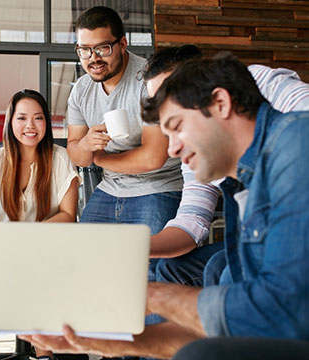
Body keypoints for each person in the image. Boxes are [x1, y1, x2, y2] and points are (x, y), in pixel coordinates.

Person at [20, 53, 309, 359]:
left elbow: (281, 312)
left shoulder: (296, 142)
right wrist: (96, 342)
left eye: (176, 125)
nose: (171, 149)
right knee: (215, 291)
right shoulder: (235, 183)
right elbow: (224, 327)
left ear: (220, 103)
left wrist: (150, 296)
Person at [143, 45, 309, 287]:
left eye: (172, 93)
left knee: (223, 271)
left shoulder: (263, 88)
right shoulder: (199, 149)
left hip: (285, 229)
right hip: (259, 233)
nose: (172, 149)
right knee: (179, 267)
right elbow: (191, 220)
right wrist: (137, 249)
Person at [0, 89, 79, 360]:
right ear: (10, 123)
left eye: (38, 118)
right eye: (22, 118)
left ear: (47, 123)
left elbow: (68, 215)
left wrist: (29, 237)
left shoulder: (60, 159)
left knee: (39, 265)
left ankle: (43, 353)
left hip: (46, 247)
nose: (30, 126)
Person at [66, 6, 182, 234]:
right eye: (85, 50)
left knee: (146, 264)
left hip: (158, 186)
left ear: (122, 44)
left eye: (102, 48)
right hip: (110, 188)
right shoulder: (80, 90)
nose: (93, 58)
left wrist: (98, 158)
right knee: (81, 259)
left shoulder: (150, 79)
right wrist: (86, 145)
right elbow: (76, 154)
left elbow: (153, 158)